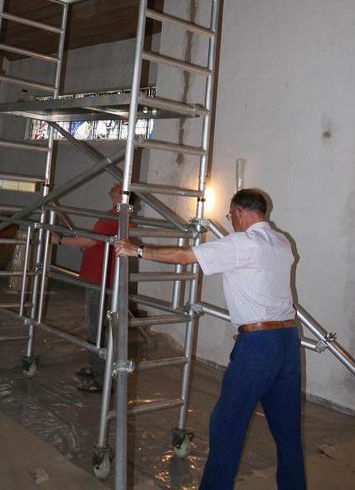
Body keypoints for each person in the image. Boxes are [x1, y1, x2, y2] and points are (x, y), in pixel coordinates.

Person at [116, 188, 306, 490]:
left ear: (240, 212)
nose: (232, 221)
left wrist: (136, 250)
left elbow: (184, 256)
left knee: (227, 426)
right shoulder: (282, 242)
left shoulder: (242, 243)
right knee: (288, 431)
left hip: (258, 345)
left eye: (231, 216)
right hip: (288, 341)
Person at [58, 183, 128, 392]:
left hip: (101, 279)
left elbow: (90, 241)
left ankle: (101, 379)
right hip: (101, 277)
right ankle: (98, 368)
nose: (113, 186)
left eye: (118, 186)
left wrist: (59, 240)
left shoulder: (116, 215)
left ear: (123, 194)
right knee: (98, 326)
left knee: (96, 327)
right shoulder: (116, 214)